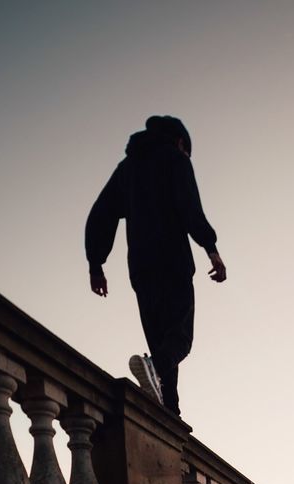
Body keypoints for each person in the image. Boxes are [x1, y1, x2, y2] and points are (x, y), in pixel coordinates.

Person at [85, 114, 226, 416]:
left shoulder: (127, 169)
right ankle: (153, 368)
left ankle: (169, 411)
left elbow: (102, 213)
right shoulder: (175, 159)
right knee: (180, 338)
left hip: (141, 267)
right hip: (172, 260)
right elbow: (190, 206)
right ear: (180, 142)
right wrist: (211, 248)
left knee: (162, 342)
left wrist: (96, 263)